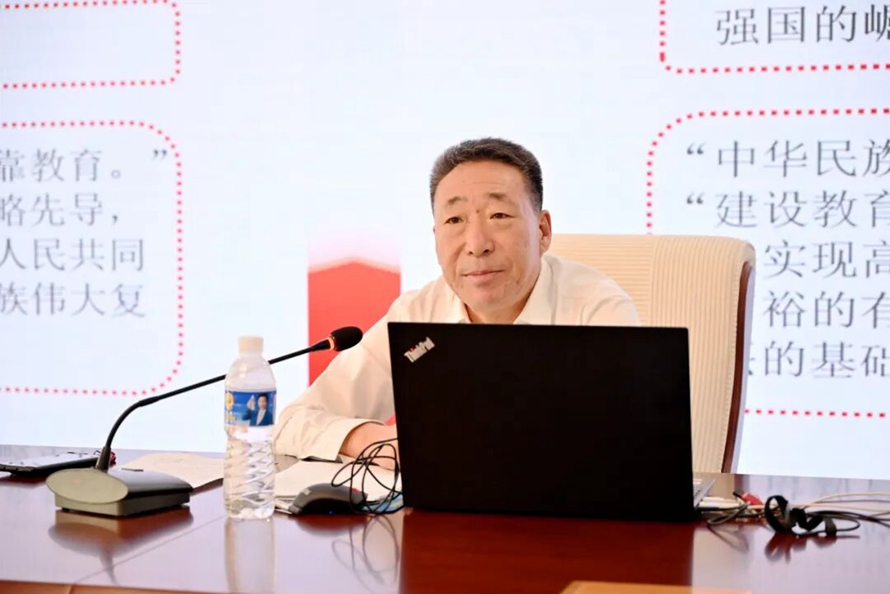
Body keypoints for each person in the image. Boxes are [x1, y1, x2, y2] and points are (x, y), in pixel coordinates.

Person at [272, 137, 639, 463]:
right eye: (454, 220)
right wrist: (375, 441)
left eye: (499, 215)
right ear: (435, 237)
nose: (476, 244)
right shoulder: (417, 315)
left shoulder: (596, 309)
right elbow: (294, 422)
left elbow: (629, 446)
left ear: (542, 230)